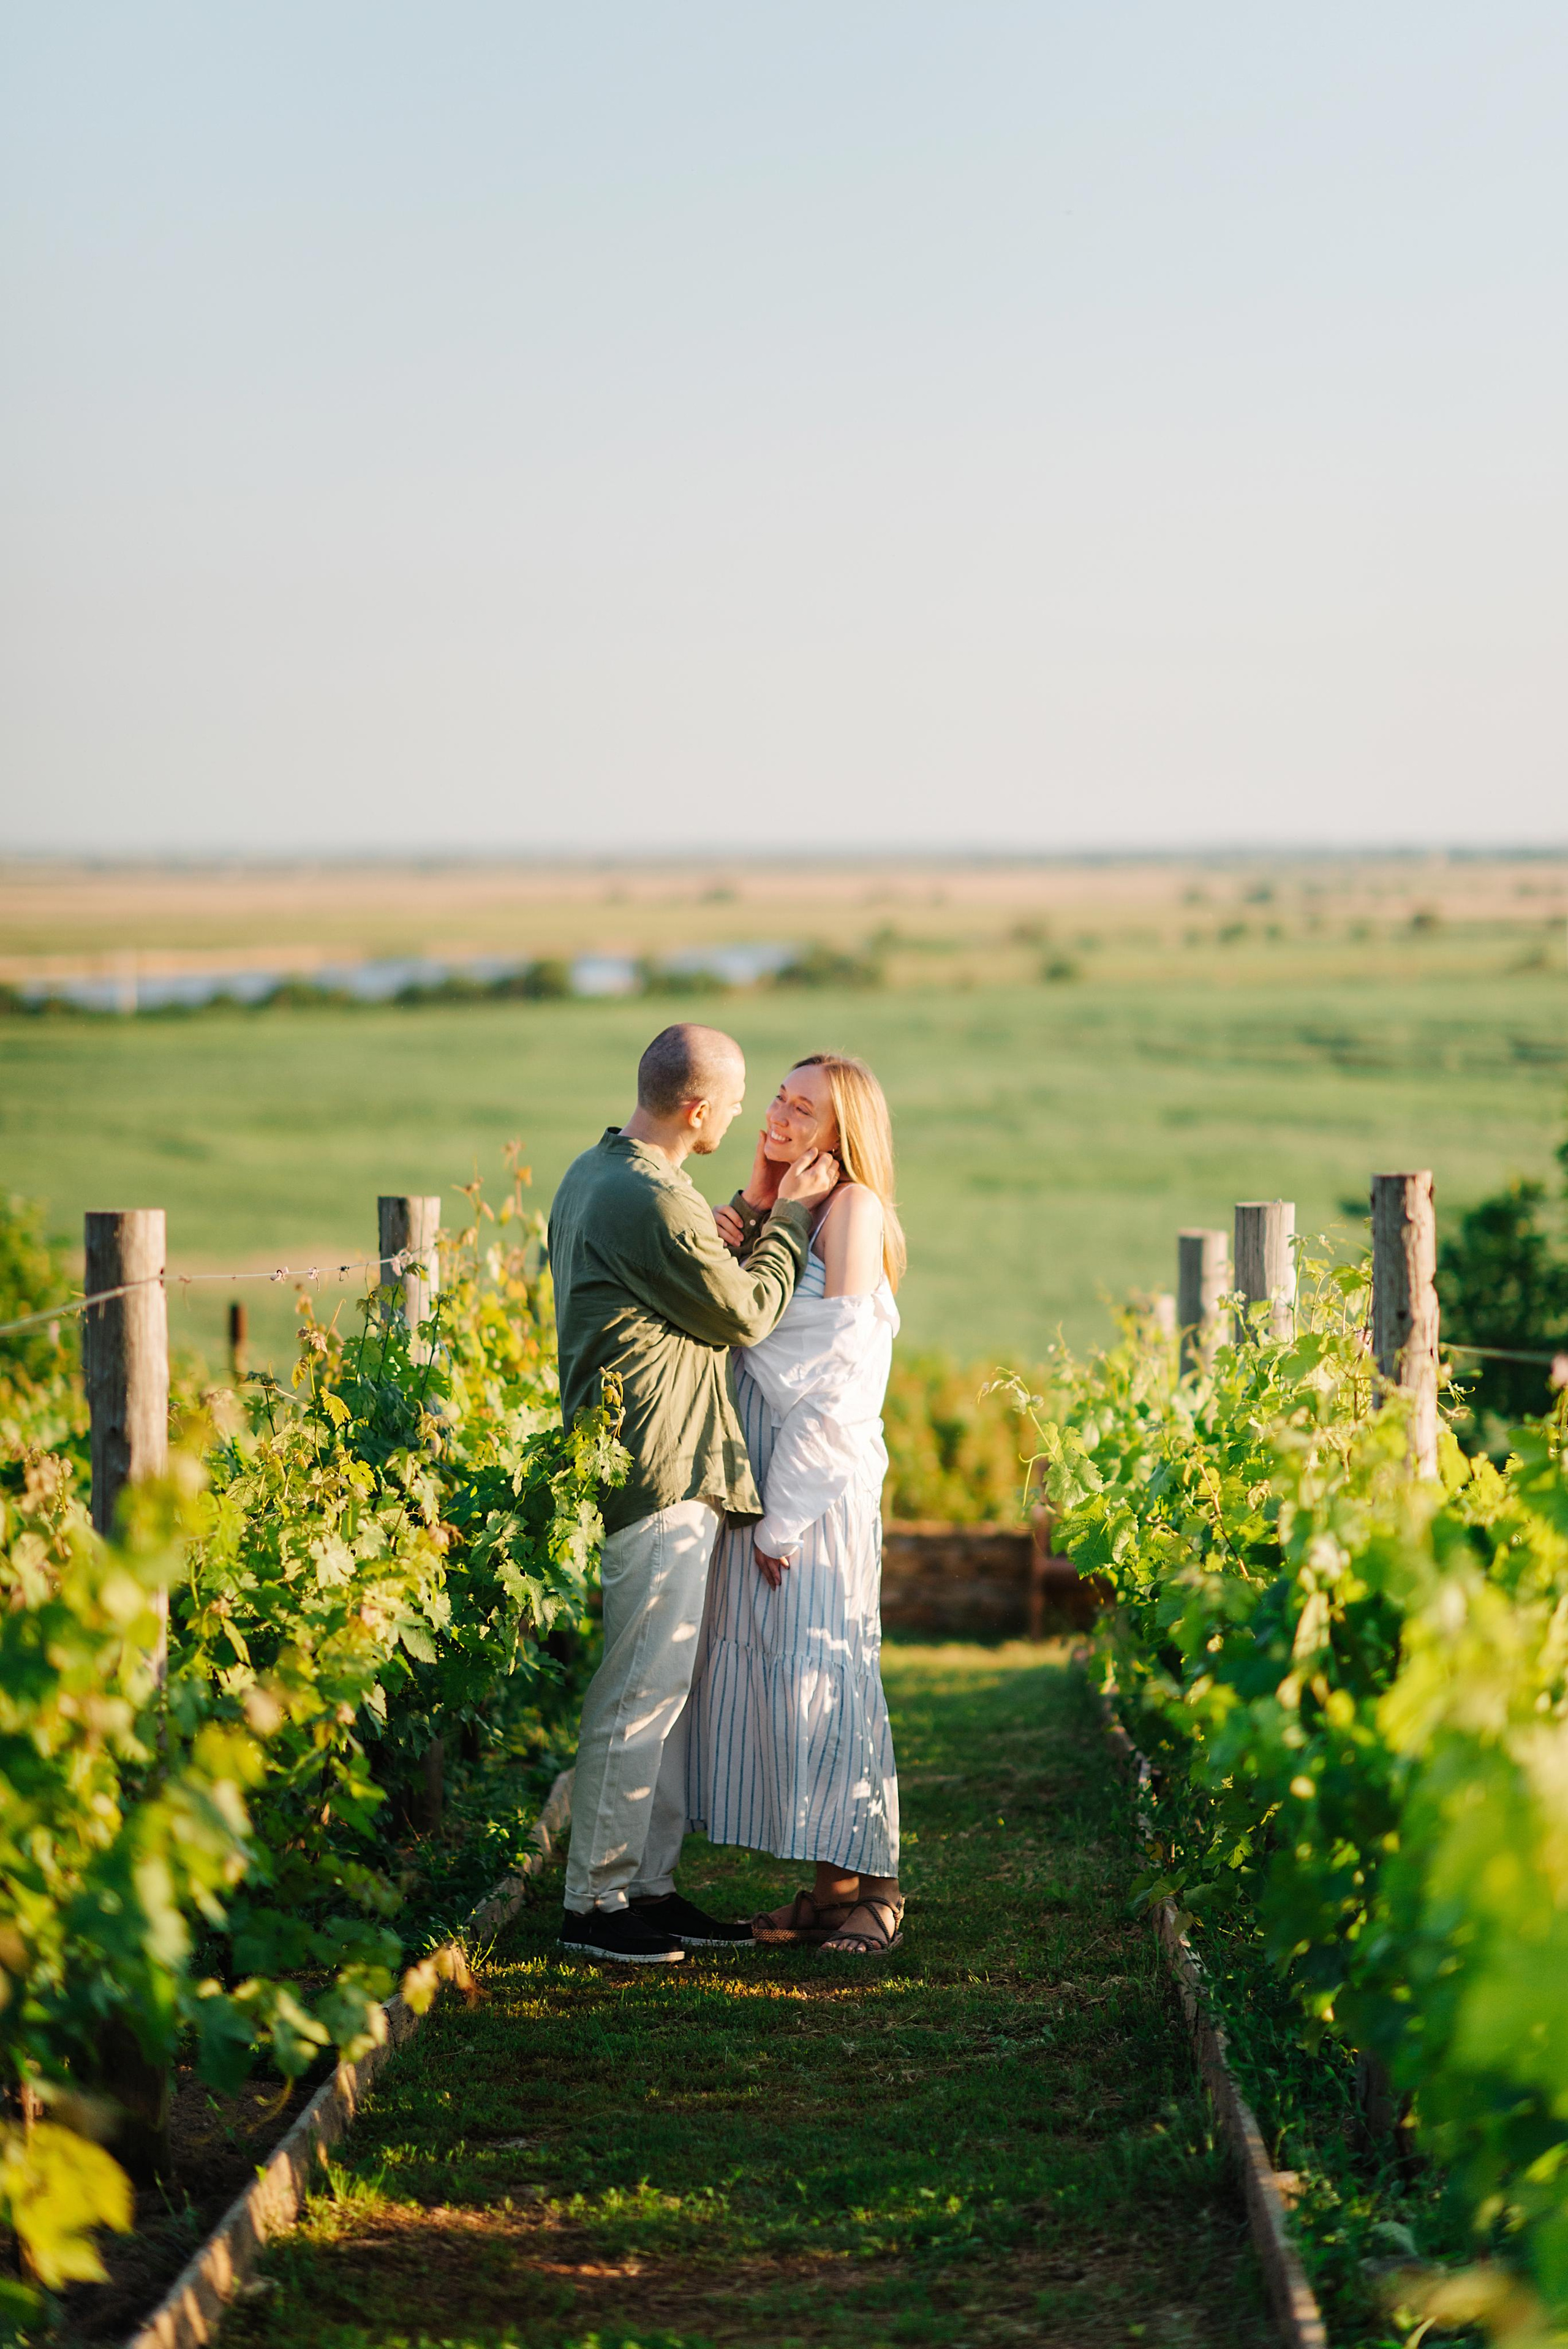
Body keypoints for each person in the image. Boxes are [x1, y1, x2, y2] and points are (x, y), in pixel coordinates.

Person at [548, 1022, 840, 1965]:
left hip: (658, 1458)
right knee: (638, 1690)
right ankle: (593, 1904)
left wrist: (739, 1216)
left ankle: (647, 1886)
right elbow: (750, 1309)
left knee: (662, 1689)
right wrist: (790, 1221)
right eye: (743, 1097)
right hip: (657, 1462)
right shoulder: (652, 1203)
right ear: (702, 1109)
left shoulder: (608, 1176)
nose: (756, 1113)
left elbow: (687, 1277)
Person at [686, 1052, 907, 1957]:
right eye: (778, 1097)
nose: (778, 1114)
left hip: (814, 1477)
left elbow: (842, 1379)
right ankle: (830, 1891)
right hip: (761, 1458)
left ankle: (880, 1892)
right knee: (789, 1677)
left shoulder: (852, 1209)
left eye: (802, 1108)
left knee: (831, 1670)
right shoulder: (785, 1211)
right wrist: (759, 1192)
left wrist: (785, 1514)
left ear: (840, 1135)